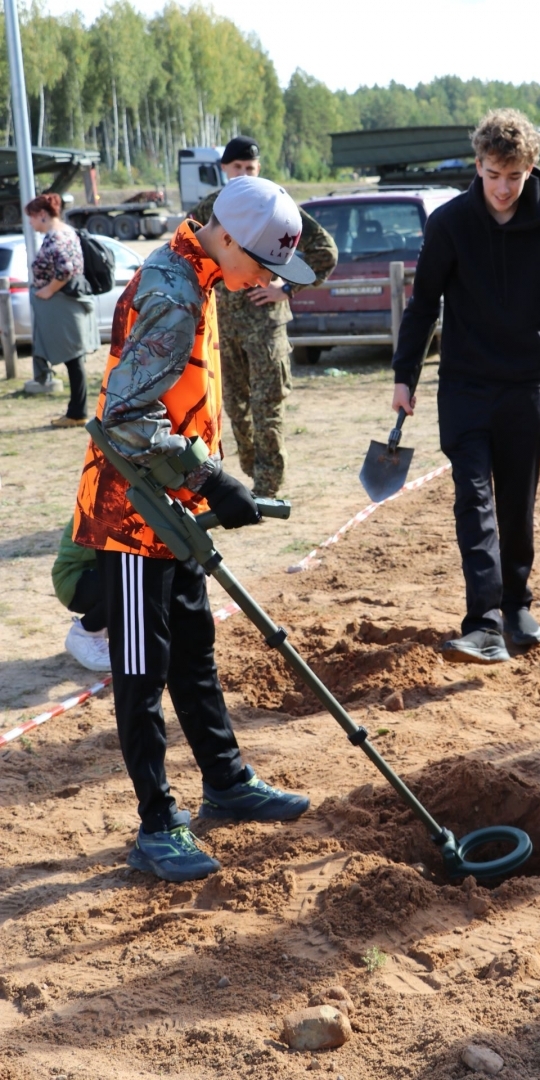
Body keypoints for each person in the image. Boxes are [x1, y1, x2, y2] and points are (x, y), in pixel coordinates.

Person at [73, 176, 316, 883]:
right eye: (266, 264)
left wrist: (200, 481)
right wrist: (211, 478)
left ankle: (226, 782)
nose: (269, 280)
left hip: (169, 506)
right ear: (230, 238)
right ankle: (156, 825)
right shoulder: (174, 295)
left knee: (193, 647)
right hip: (131, 514)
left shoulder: (197, 271)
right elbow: (123, 417)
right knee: (142, 670)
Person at [391, 108, 540, 665]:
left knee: (517, 504)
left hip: (523, 388)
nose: (502, 188)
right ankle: (483, 622)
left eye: (513, 177)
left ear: (530, 168)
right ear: (478, 165)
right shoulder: (449, 223)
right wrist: (404, 376)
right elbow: (423, 307)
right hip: (464, 387)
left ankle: (517, 604)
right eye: (493, 175)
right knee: (474, 500)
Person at [192, 136, 338, 497]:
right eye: (237, 168)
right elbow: (191, 256)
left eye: (250, 169)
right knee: (237, 411)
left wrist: (284, 288)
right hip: (224, 329)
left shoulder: (274, 205)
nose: (243, 174)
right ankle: (251, 470)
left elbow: (324, 251)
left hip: (265, 325)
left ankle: (268, 487)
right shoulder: (210, 208)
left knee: (267, 406)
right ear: (224, 169)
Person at [22, 192, 99, 426]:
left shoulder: (57, 237)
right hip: (68, 303)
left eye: (32, 218)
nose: (31, 223)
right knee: (73, 359)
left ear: (42, 215)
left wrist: (48, 290)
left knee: (73, 359)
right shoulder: (67, 232)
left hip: (63, 305)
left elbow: (65, 269)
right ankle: (76, 410)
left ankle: (77, 412)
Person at [52, 519, 111, 672]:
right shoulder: (109, 502)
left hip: (100, 571)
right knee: (134, 580)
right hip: (74, 579)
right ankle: (86, 632)